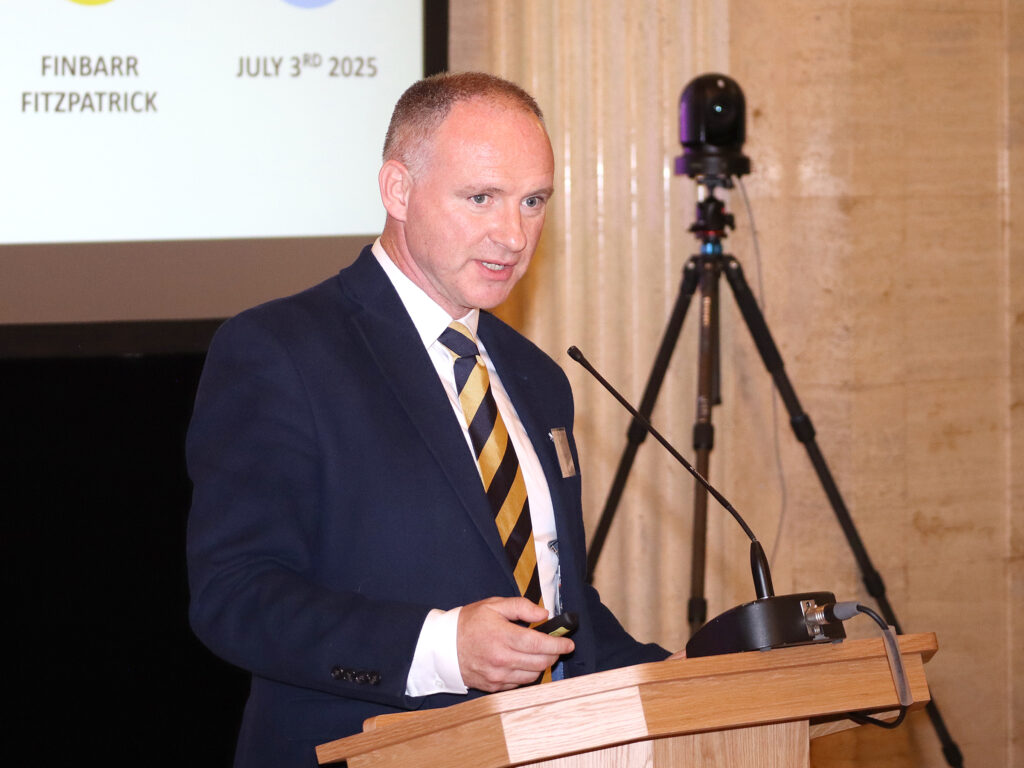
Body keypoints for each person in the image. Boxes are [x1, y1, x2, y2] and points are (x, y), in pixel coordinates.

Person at [186, 72, 670, 768]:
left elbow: (559, 608)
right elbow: (237, 598)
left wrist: (687, 673)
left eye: (534, 201)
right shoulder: (282, 351)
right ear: (398, 191)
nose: (513, 233)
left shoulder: (538, 377)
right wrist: (441, 648)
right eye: (482, 198)